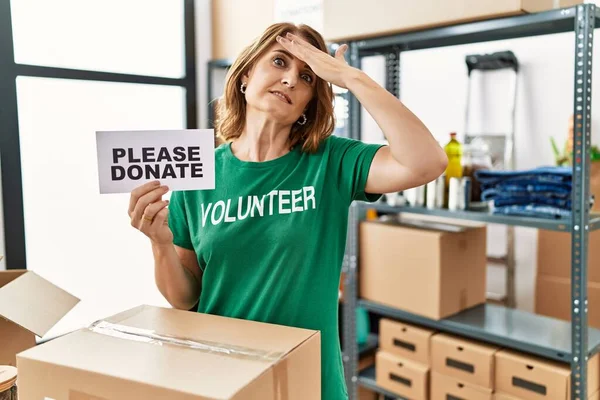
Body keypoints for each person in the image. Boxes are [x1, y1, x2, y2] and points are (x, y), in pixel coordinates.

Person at [128, 22, 447, 400]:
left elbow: (426, 162)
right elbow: (185, 298)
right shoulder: (198, 174)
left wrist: (352, 78)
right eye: (279, 62)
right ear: (246, 75)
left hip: (309, 382)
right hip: (226, 380)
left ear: (310, 102)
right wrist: (160, 242)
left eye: (307, 76)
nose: (291, 79)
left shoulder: (331, 161)